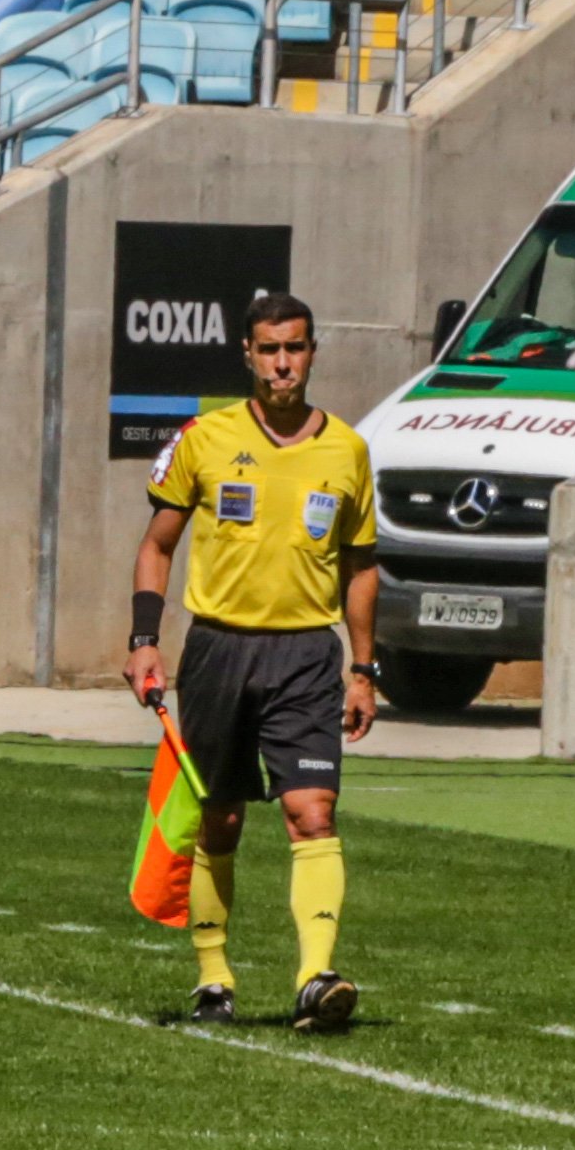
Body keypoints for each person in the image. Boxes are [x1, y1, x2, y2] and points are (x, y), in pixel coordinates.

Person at [124, 293, 378, 1032]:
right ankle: (214, 980)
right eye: (268, 349)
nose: (282, 363)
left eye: (295, 348)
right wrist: (145, 638)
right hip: (218, 650)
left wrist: (363, 668)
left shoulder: (348, 450)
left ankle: (315, 978)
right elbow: (157, 546)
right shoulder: (205, 438)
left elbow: (362, 567)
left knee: (313, 811)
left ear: (312, 351)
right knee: (221, 819)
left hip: (306, 653)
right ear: (246, 352)